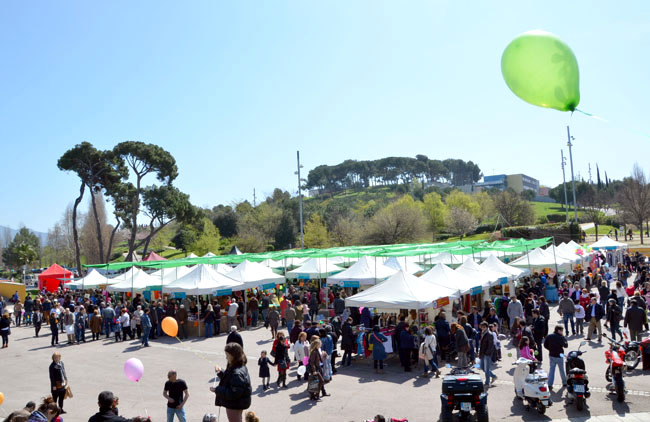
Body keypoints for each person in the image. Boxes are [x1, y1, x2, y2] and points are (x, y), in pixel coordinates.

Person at [212, 343, 252, 422]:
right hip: (238, 403)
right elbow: (231, 379)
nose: (226, 357)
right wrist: (220, 372)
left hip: (235, 404)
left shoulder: (237, 372)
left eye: (227, 355)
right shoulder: (238, 366)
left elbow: (233, 393)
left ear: (233, 356)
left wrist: (217, 390)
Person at [544, 325, 568, 391]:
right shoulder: (560, 337)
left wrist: (550, 349)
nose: (562, 332)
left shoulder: (549, 336)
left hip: (551, 355)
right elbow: (566, 345)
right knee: (561, 370)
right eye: (561, 331)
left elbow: (545, 345)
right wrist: (564, 338)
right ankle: (564, 383)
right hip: (560, 355)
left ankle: (550, 384)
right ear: (558, 330)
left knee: (552, 370)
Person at [478, 322, 496, 387]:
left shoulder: (489, 334)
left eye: (484, 327)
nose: (483, 328)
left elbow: (490, 346)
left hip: (487, 354)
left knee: (487, 368)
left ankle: (487, 382)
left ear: (486, 327)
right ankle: (493, 376)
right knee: (482, 367)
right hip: (483, 353)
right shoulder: (483, 333)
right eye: (482, 327)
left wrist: (487, 353)